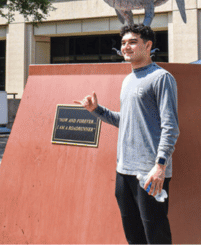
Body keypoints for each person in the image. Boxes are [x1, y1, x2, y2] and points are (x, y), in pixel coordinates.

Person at [75, 24, 179, 244]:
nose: (126, 47)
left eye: (132, 42)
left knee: (156, 235)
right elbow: (126, 120)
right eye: (123, 43)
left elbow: (170, 127)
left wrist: (160, 166)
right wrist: (97, 110)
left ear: (148, 45)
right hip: (124, 171)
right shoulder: (128, 80)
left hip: (149, 173)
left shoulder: (162, 78)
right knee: (133, 235)